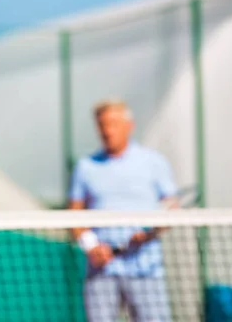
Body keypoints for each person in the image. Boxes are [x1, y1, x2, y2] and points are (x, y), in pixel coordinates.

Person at [68, 100, 178, 322]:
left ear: (130, 125)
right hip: (101, 272)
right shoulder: (85, 167)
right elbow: (74, 215)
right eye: (102, 125)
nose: (108, 131)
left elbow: (171, 208)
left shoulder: (154, 162)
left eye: (114, 124)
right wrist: (91, 246)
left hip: (146, 269)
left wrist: (149, 233)